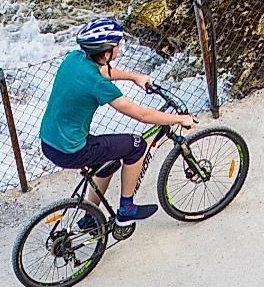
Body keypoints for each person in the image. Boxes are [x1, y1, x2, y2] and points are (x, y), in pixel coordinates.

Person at [37, 17, 198, 223]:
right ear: (106, 53)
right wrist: (179, 118)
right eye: (117, 45)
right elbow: (142, 115)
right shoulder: (97, 84)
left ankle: (90, 217)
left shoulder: (74, 58)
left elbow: (102, 70)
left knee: (108, 162)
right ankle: (127, 209)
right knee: (136, 145)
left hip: (50, 142)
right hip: (72, 150)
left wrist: (135, 77)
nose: (119, 48)